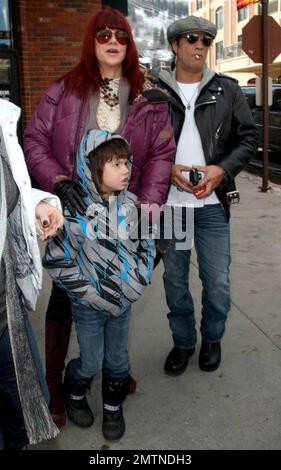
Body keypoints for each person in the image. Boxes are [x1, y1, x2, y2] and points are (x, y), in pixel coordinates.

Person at [23, 7, 175, 428]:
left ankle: (114, 375)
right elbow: (35, 138)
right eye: (104, 34)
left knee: (121, 292)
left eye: (121, 36)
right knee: (67, 296)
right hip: (75, 215)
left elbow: (162, 155)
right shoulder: (65, 89)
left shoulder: (148, 95)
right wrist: (57, 181)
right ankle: (59, 388)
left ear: (129, 45)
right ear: (92, 42)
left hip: (126, 217)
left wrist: (148, 208)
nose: (113, 41)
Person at [157, 16, 258, 376]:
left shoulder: (227, 89)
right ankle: (183, 342)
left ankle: (212, 338)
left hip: (212, 206)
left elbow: (249, 138)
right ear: (175, 46)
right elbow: (138, 145)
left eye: (206, 41)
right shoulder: (156, 92)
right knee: (174, 281)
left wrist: (221, 170)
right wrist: (166, 169)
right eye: (191, 39)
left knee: (217, 280)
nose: (200, 46)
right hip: (171, 206)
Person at [43, 129, 156, 441]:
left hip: (123, 304)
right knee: (91, 359)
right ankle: (74, 390)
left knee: (119, 360)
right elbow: (57, 261)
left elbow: (147, 247)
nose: (126, 170)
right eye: (116, 165)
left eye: (127, 163)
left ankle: (112, 406)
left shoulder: (132, 206)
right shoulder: (73, 214)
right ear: (92, 168)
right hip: (89, 306)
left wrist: (137, 282)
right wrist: (89, 294)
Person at [0, 98, 64, 449]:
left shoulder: (2, 118)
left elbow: (10, 191)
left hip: (6, 308)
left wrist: (36, 203)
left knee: (20, 414)